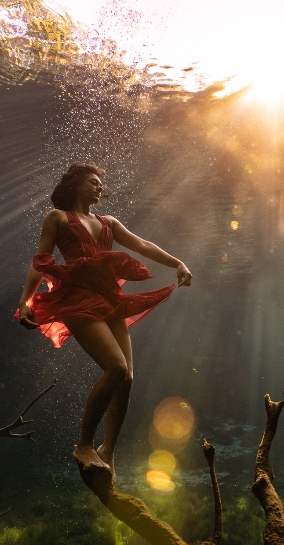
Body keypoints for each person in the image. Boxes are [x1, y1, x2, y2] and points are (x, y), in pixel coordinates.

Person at [16, 162, 192, 478]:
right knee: (117, 368)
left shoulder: (108, 221)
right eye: (93, 182)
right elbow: (40, 262)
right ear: (76, 185)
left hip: (109, 300)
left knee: (127, 378)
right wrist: (25, 301)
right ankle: (84, 444)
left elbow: (143, 245)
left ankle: (107, 450)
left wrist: (177, 262)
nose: (100, 187)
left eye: (100, 183)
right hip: (77, 300)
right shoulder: (57, 218)